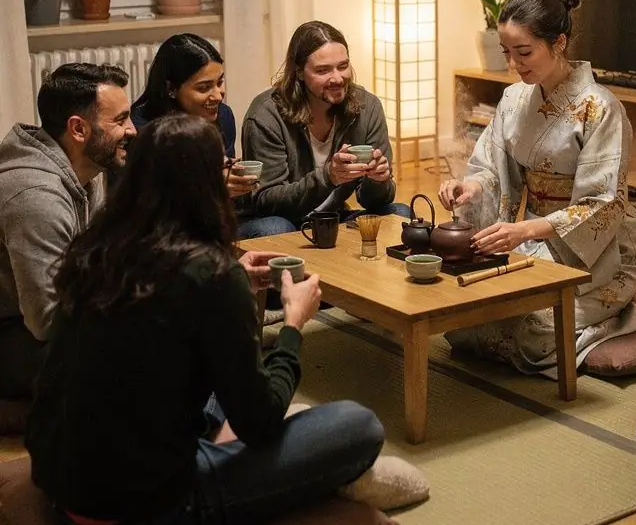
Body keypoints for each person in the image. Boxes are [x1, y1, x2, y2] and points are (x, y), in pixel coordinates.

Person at [25, 113, 386, 525]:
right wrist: (293, 324)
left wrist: (231, 278)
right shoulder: (208, 275)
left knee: (212, 370)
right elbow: (259, 423)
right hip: (148, 513)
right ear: (202, 185)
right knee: (357, 425)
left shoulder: (96, 252)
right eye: (223, 167)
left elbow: (160, 319)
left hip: (61, 488)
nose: (231, 173)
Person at [438, 0, 636, 373]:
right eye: (507, 53)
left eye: (524, 52)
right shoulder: (514, 97)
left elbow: (603, 203)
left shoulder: (600, 108)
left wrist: (525, 231)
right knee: (463, 324)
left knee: (531, 336)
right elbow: (492, 167)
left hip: (599, 250)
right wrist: (467, 188)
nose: (515, 65)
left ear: (559, 43)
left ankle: (628, 312)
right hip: (534, 238)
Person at [0, 62, 135, 400]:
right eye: (119, 120)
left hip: (39, 325)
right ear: (78, 129)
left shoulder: (86, 170)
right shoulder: (35, 196)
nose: (132, 130)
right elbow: (46, 321)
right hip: (13, 334)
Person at [240, 21, 409, 238]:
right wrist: (328, 177)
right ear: (299, 72)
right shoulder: (266, 115)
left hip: (330, 216)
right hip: (275, 220)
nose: (337, 78)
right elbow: (267, 202)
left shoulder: (367, 107)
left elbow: (375, 201)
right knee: (275, 228)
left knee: (399, 214)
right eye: (323, 70)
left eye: (343, 66)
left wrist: (379, 181)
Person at [132, 34, 255, 202]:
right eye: (204, 88)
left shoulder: (223, 116)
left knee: (272, 225)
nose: (218, 96)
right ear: (171, 89)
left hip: (218, 216)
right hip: (168, 222)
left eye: (219, 82)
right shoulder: (141, 131)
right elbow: (147, 205)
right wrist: (207, 187)